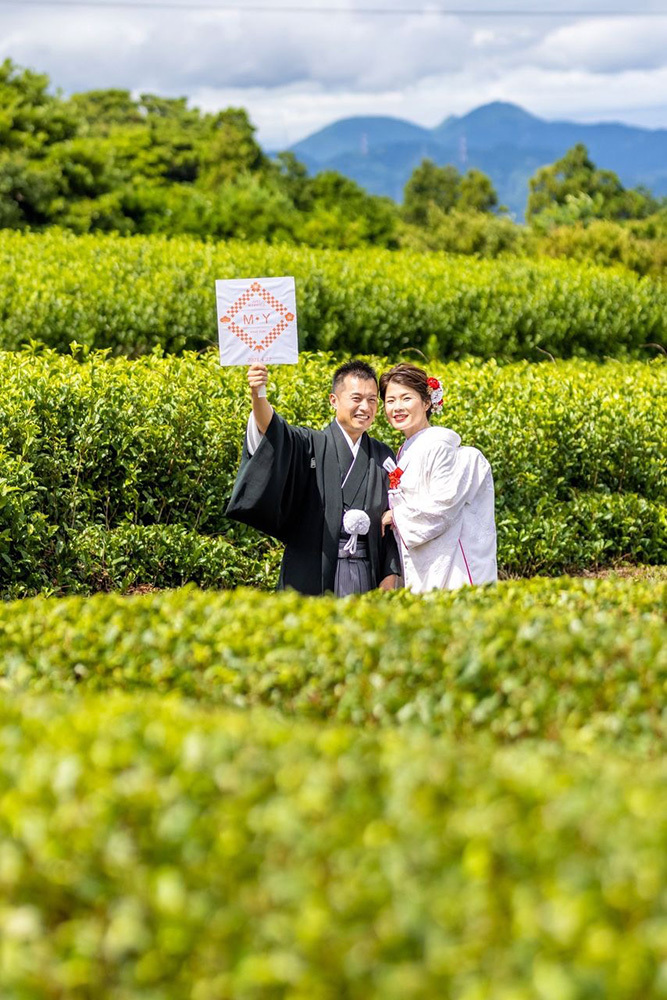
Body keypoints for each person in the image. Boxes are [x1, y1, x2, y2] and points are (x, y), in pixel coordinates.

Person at [226, 360, 401, 596]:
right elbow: (275, 431)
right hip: (312, 569)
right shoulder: (310, 444)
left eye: (372, 400)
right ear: (334, 400)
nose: (365, 407)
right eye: (356, 398)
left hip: (366, 573)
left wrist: (389, 578)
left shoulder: (383, 455)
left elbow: (390, 525)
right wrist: (258, 393)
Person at [379, 362, 497, 593]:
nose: (397, 407)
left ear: (426, 403)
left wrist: (396, 516)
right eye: (390, 400)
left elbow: (442, 507)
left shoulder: (440, 446)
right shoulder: (405, 451)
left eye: (406, 398)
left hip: (450, 563)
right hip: (422, 560)